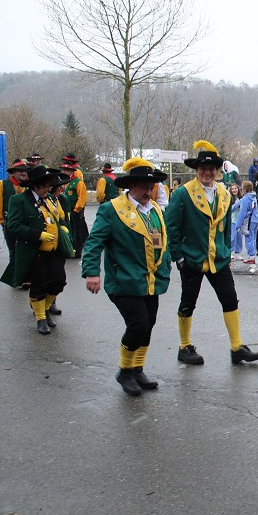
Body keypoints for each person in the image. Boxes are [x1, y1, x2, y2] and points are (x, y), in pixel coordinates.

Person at [166, 141, 258, 366]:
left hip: (218, 259)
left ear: (217, 171)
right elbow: (171, 227)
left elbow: (226, 226)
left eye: (211, 169)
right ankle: (184, 346)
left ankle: (237, 347)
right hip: (191, 258)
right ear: (196, 170)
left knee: (230, 299)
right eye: (203, 168)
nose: (207, 172)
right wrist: (179, 257)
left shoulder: (224, 193)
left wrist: (226, 253)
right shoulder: (182, 194)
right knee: (188, 301)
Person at [82, 158, 172, 397]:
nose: (148, 190)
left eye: (151, 186)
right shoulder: (112, 209)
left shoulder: (154, 211)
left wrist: (168, 264)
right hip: (123, 281)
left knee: (148, 324)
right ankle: (125, 371)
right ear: (130, 186)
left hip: (151, 281)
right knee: (138, 324)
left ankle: (138, 369)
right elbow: (94, 242)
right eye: (143, 185)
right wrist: (92, 272)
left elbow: (161, 242)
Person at [0, 166, 69, 335]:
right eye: (45, 186)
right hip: (34, 250)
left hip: (55, 249)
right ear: (35, 186)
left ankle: (45, 308)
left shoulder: (51, 199)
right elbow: (13, 226)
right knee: (39, 285)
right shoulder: (19, 200)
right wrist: (38, 234)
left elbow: (58, 217)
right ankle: (40, 318)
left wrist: (64, 228)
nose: (48, 189)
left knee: (59, 282)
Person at [0, 159, 29, 266]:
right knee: (13, 251)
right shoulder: (2, 184)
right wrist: (2, 221)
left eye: (25, 170)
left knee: (27, 251)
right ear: (14, 173)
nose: (23, 173)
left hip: (27, 225)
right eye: (19, 170)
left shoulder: (31, 184)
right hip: (9, 224)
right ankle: (15, 276)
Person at [59, 156, 88, 259]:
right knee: (69, 231)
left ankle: (77, 251)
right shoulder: (62, 182)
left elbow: (82, 197)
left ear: (72, 171)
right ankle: (70, 249)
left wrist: (76, 210)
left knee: (77, 231)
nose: (65, 172)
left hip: (75, 210)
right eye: (64, 170)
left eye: (67, 170)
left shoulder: (78, 182)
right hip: (65, 210)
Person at [231, 180, 258, 264]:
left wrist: (238, 225)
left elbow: (242, 213)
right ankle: (252, 255)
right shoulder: (253, 196)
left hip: (249, 221)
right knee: (253, 238)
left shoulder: (245, 199)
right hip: (255, 220)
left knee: (249, 238)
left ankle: (251, 256)